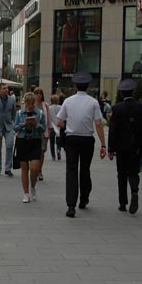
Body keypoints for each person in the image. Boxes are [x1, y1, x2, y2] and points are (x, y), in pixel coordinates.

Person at [56, 71, 106, 218]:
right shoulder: (93, 102)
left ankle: (71, 205)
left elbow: (59, 121)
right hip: (87, 139)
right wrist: (103, 144)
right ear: (88, 86)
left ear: (75, 86)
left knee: (71, 170)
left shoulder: (68, 101)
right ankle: (84, 198)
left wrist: (67, 125)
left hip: (71, 139)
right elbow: (98, 124)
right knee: (85, 169)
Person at [108, 79, 142, 214]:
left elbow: (113, 130)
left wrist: (110, 148)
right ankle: (134, 191)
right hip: (136, 147)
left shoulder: (116, 108)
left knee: (121, 174)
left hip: (121, 148)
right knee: (134, 171)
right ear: (133, 92)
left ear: (121, 94)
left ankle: (122, 203)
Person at [14, 92, 46, 203]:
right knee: (24, 168)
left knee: (34, 168)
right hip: (22, 141)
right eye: (28, 104)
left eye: (32, 103)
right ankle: (26, 193)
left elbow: (43, 129)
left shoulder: (40, 113)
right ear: (25, 103)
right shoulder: (19, 113)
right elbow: (15, 127)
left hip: (35, 141)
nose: (31, 106)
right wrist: (23, 124)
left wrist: (36, 124)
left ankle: (33, 186)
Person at [0, 84, 16, 177]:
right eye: (4, 88)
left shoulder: (12, 99)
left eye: (7, 88)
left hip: (9, 126)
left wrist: (15, 125)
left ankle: (8, 168)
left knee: (9, 145)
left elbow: (14, 113)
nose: (6, 90)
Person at [33, 87, 51, 181]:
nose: (39, 95)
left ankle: (39, 170)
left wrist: (50, 129)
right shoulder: (31, 104)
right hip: (33, 132)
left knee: (42, 151)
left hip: (43, 131)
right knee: (34, 151)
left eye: (40, 93)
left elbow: (48, 118)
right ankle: (34, 169)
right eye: (37, 93)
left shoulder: (45, 105)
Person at [47, 94, 62, 162]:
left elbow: (48, 118)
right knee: (59, 141)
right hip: (59, 126)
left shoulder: (49, 108)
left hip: (52, 126)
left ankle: (53, 156)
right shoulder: (61, 107)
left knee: (52, 142)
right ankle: (58, 150)